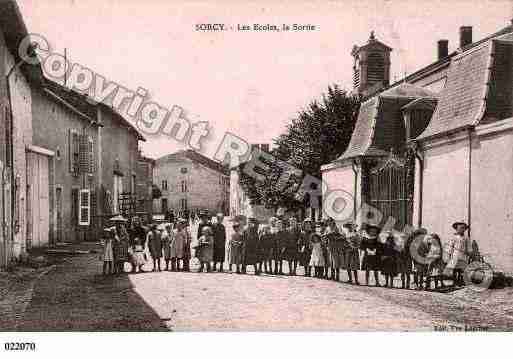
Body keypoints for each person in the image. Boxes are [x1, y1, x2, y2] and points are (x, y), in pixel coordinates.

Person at [445, 221, 472, 286]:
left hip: (463, 255)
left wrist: (469, 252)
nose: (461, 230)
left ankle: (460, 281)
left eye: (463, 228)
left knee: (461, 269)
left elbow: (468, 246)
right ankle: (455, 281)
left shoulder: (466, 238)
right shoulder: (453, 237)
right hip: (455, 255)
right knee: (455, 269)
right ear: (457, 229)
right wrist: (449, 254)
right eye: (460, 228)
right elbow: (450, 246)